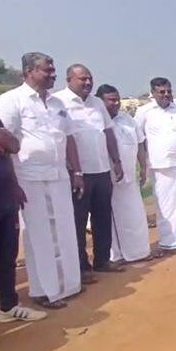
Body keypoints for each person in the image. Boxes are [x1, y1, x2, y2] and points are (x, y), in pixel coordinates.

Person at [0, 52, 83, 309]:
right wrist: (12, 184)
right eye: (47, 70)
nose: (53, 74)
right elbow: (3, 144)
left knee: (64, 230)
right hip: (28, 178)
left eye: (53, 69)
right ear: (29, 72)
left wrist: (76, 172)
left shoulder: (57, 104)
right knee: (39, 234)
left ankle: (68, 284)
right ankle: (44, 291)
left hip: (58, 176)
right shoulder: (10, 101)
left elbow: (69, 139)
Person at [53, 64, 126, 277]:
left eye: (90, 78)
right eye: (82, 79)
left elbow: (108, 132)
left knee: (102, 217)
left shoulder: (97, 103)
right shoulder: (59, 102)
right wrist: (74, 170)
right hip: (77, 173)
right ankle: (81, 266)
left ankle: (102, 260)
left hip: (102, 170)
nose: (87, 82)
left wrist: (116, 160)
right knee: (77, 219)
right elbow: (63, 137)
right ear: (69, 80)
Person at [0, 111, 47, 351]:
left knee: (5, 257)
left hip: (4, 199)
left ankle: (9, 307)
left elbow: (12, 146)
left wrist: (14, 185)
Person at [96, 84, 158, 263]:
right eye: (111, 100)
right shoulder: (97, 121)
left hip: (130, 178)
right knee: (111, 219)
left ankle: (138, 252)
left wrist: (143, 167)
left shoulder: (128, 120)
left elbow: (139, 144)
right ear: (100, 101)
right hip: (109, 179)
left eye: (117, 99)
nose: (116, 103)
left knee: (135, 215)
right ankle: (115, 255)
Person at [135, 77, 176, 250]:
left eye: (169, 91)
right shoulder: (144, 111)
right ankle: (168, 242)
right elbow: (139, 138)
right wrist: (143, 164)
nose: (166, 95)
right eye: (162, 92)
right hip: (159, 165)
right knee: (165, 205)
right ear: (153, 93)